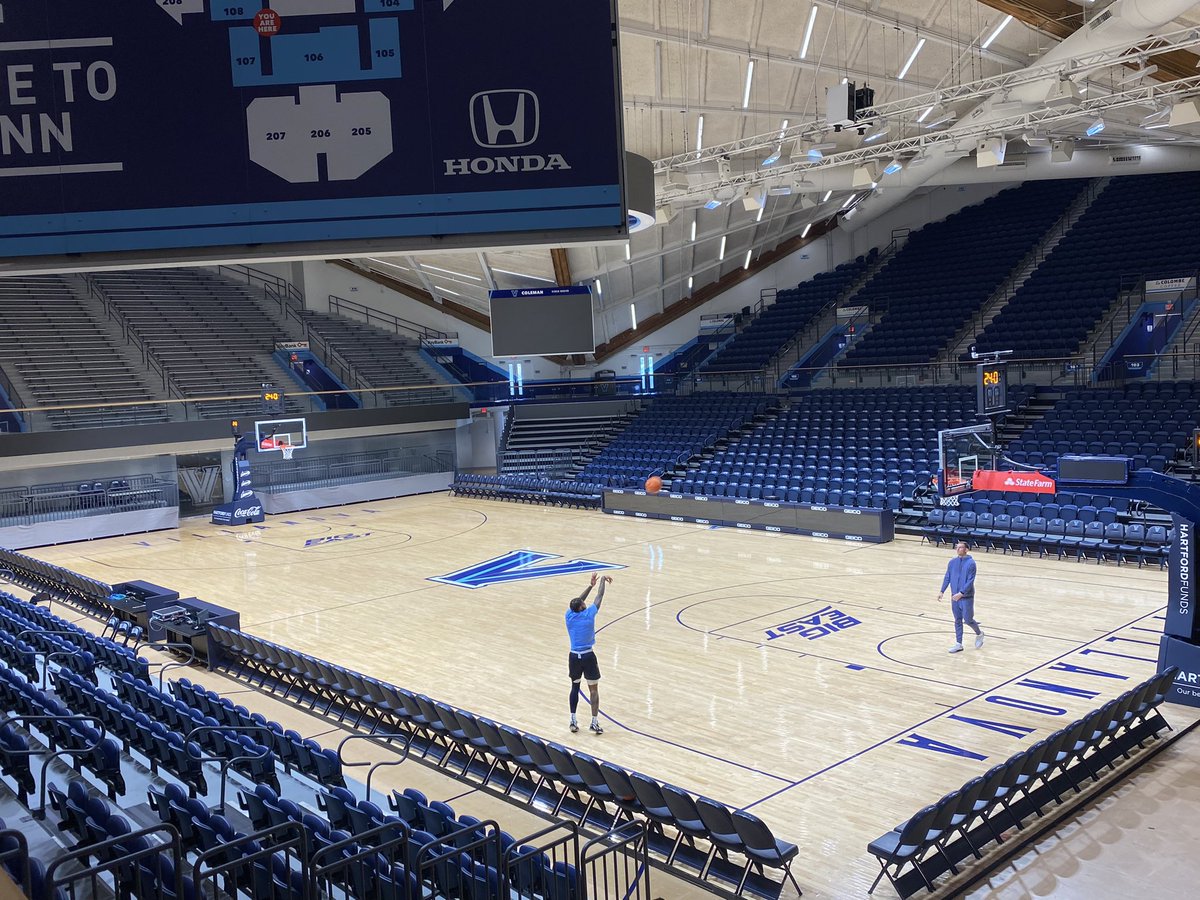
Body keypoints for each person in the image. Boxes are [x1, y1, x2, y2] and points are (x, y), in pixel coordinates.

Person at [565, 573, 612, 734]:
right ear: (582, 607)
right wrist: (601, 582)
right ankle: (594, 721)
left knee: (574, 687)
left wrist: (589, 586)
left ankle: (573, 720)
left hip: (573, 657)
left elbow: (577, 601)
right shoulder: (589, 614)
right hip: (588, 656)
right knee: (593, 690)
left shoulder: (569, 615)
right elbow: (600, 596)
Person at [936, 541, 984, 653]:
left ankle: (979, 633)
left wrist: (961, 593)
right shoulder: (952, 562)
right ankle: (959, 643)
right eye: (957, 547)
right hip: (954, 597)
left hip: (966, 597)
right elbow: (947, 577)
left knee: (968, 620)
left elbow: (970, 581)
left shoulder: (971, 563)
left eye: (961, 547)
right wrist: (942, 591)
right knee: (957, 620)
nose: (958, 549)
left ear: (966, 549)